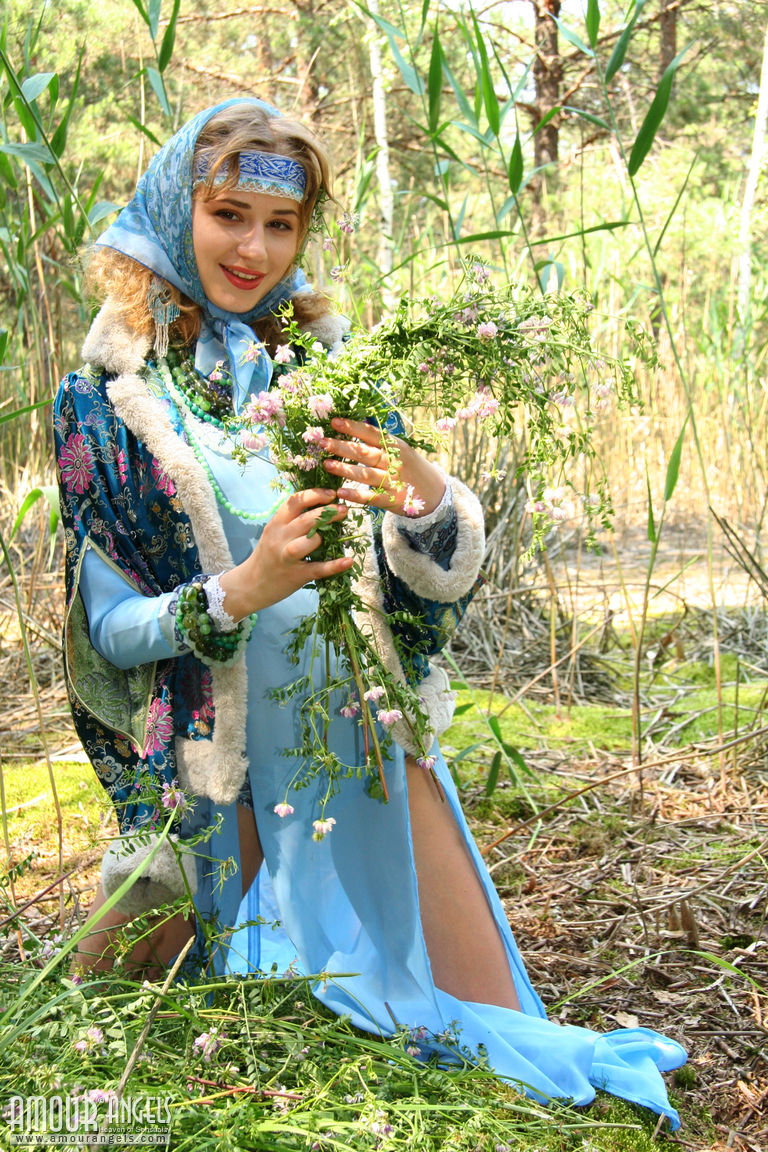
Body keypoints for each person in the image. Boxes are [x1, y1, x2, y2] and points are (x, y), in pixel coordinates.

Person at [54, 96, 686, 1128]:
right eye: (228, 216)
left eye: (281, 225)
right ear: (176, 208)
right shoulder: (108, 400)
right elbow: (107, 635)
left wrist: (428, 496)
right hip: (220, 771)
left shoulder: (328, 370)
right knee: (152, 1040)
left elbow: (423, 576)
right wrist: (242, 589)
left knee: (475, 1029)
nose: (254, 250)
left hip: (357, 742)